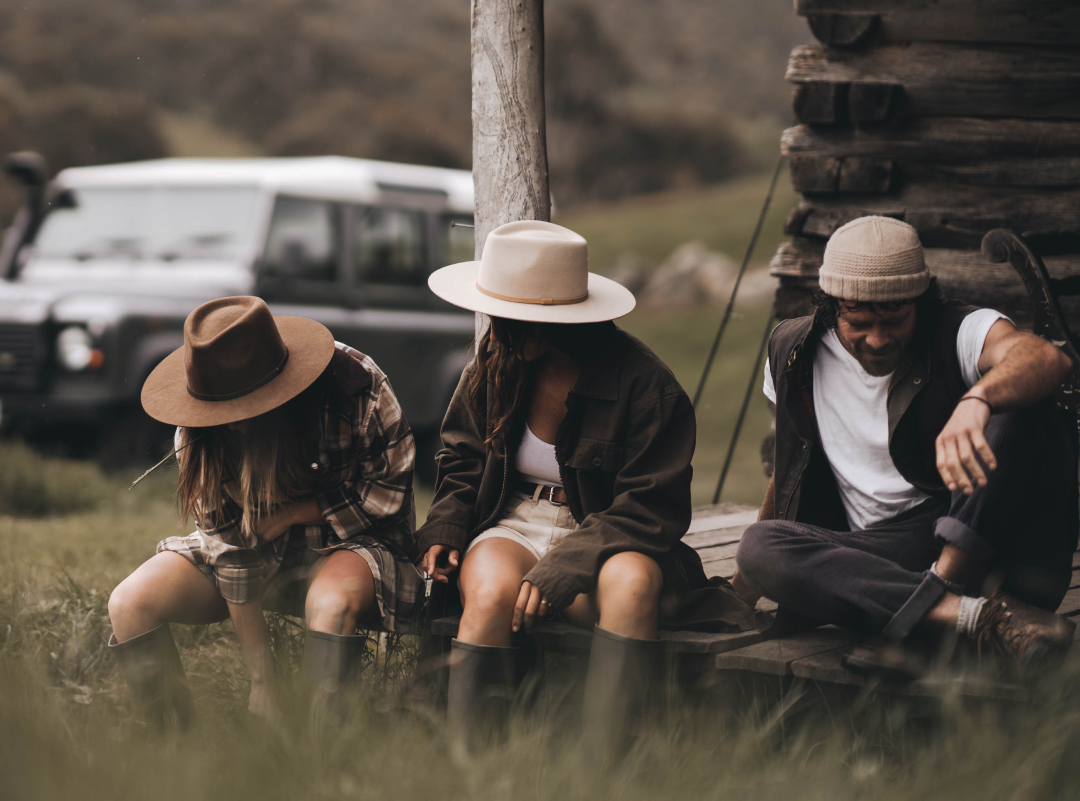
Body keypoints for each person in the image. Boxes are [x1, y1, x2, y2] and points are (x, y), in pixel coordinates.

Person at [418, 220, 754, 756]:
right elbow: (462, 455)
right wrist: (448, 524)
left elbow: (652, 507)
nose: (497, 327)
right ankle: (474, 767)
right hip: (515, 520)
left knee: (632, 585)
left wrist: (569, 562)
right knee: (487, 595)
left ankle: (608, 766)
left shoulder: (647, 387)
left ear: (556, 321)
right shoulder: (497, 361)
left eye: (515, 318)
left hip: (613, 535)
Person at [732, 216, 1078, 668]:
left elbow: (1044, 358)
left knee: (1017, 403)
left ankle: (933, 603)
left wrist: (978, 399)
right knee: (760, 545)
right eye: (859, 321)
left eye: (895, 319)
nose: (877, 339)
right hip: (883, 562)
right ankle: (967, 618)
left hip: (988, 552)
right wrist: (741, 589)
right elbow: (789, 469)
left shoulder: (961, 329)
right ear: (832, 304)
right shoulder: (792, 350)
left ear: (919, 299)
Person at [107, 296, 422, 727]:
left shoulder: (357, 387)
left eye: (246, 406)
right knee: (129, 603)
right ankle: (173, 757)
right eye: (222, 409)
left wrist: (295, 513)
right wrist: (262, 680)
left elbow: (389, 496)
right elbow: (229, 549)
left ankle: (321, 754)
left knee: (328, 603)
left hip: (354, 540)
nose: (234, 422)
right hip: (254, 555)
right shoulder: (196, 432)